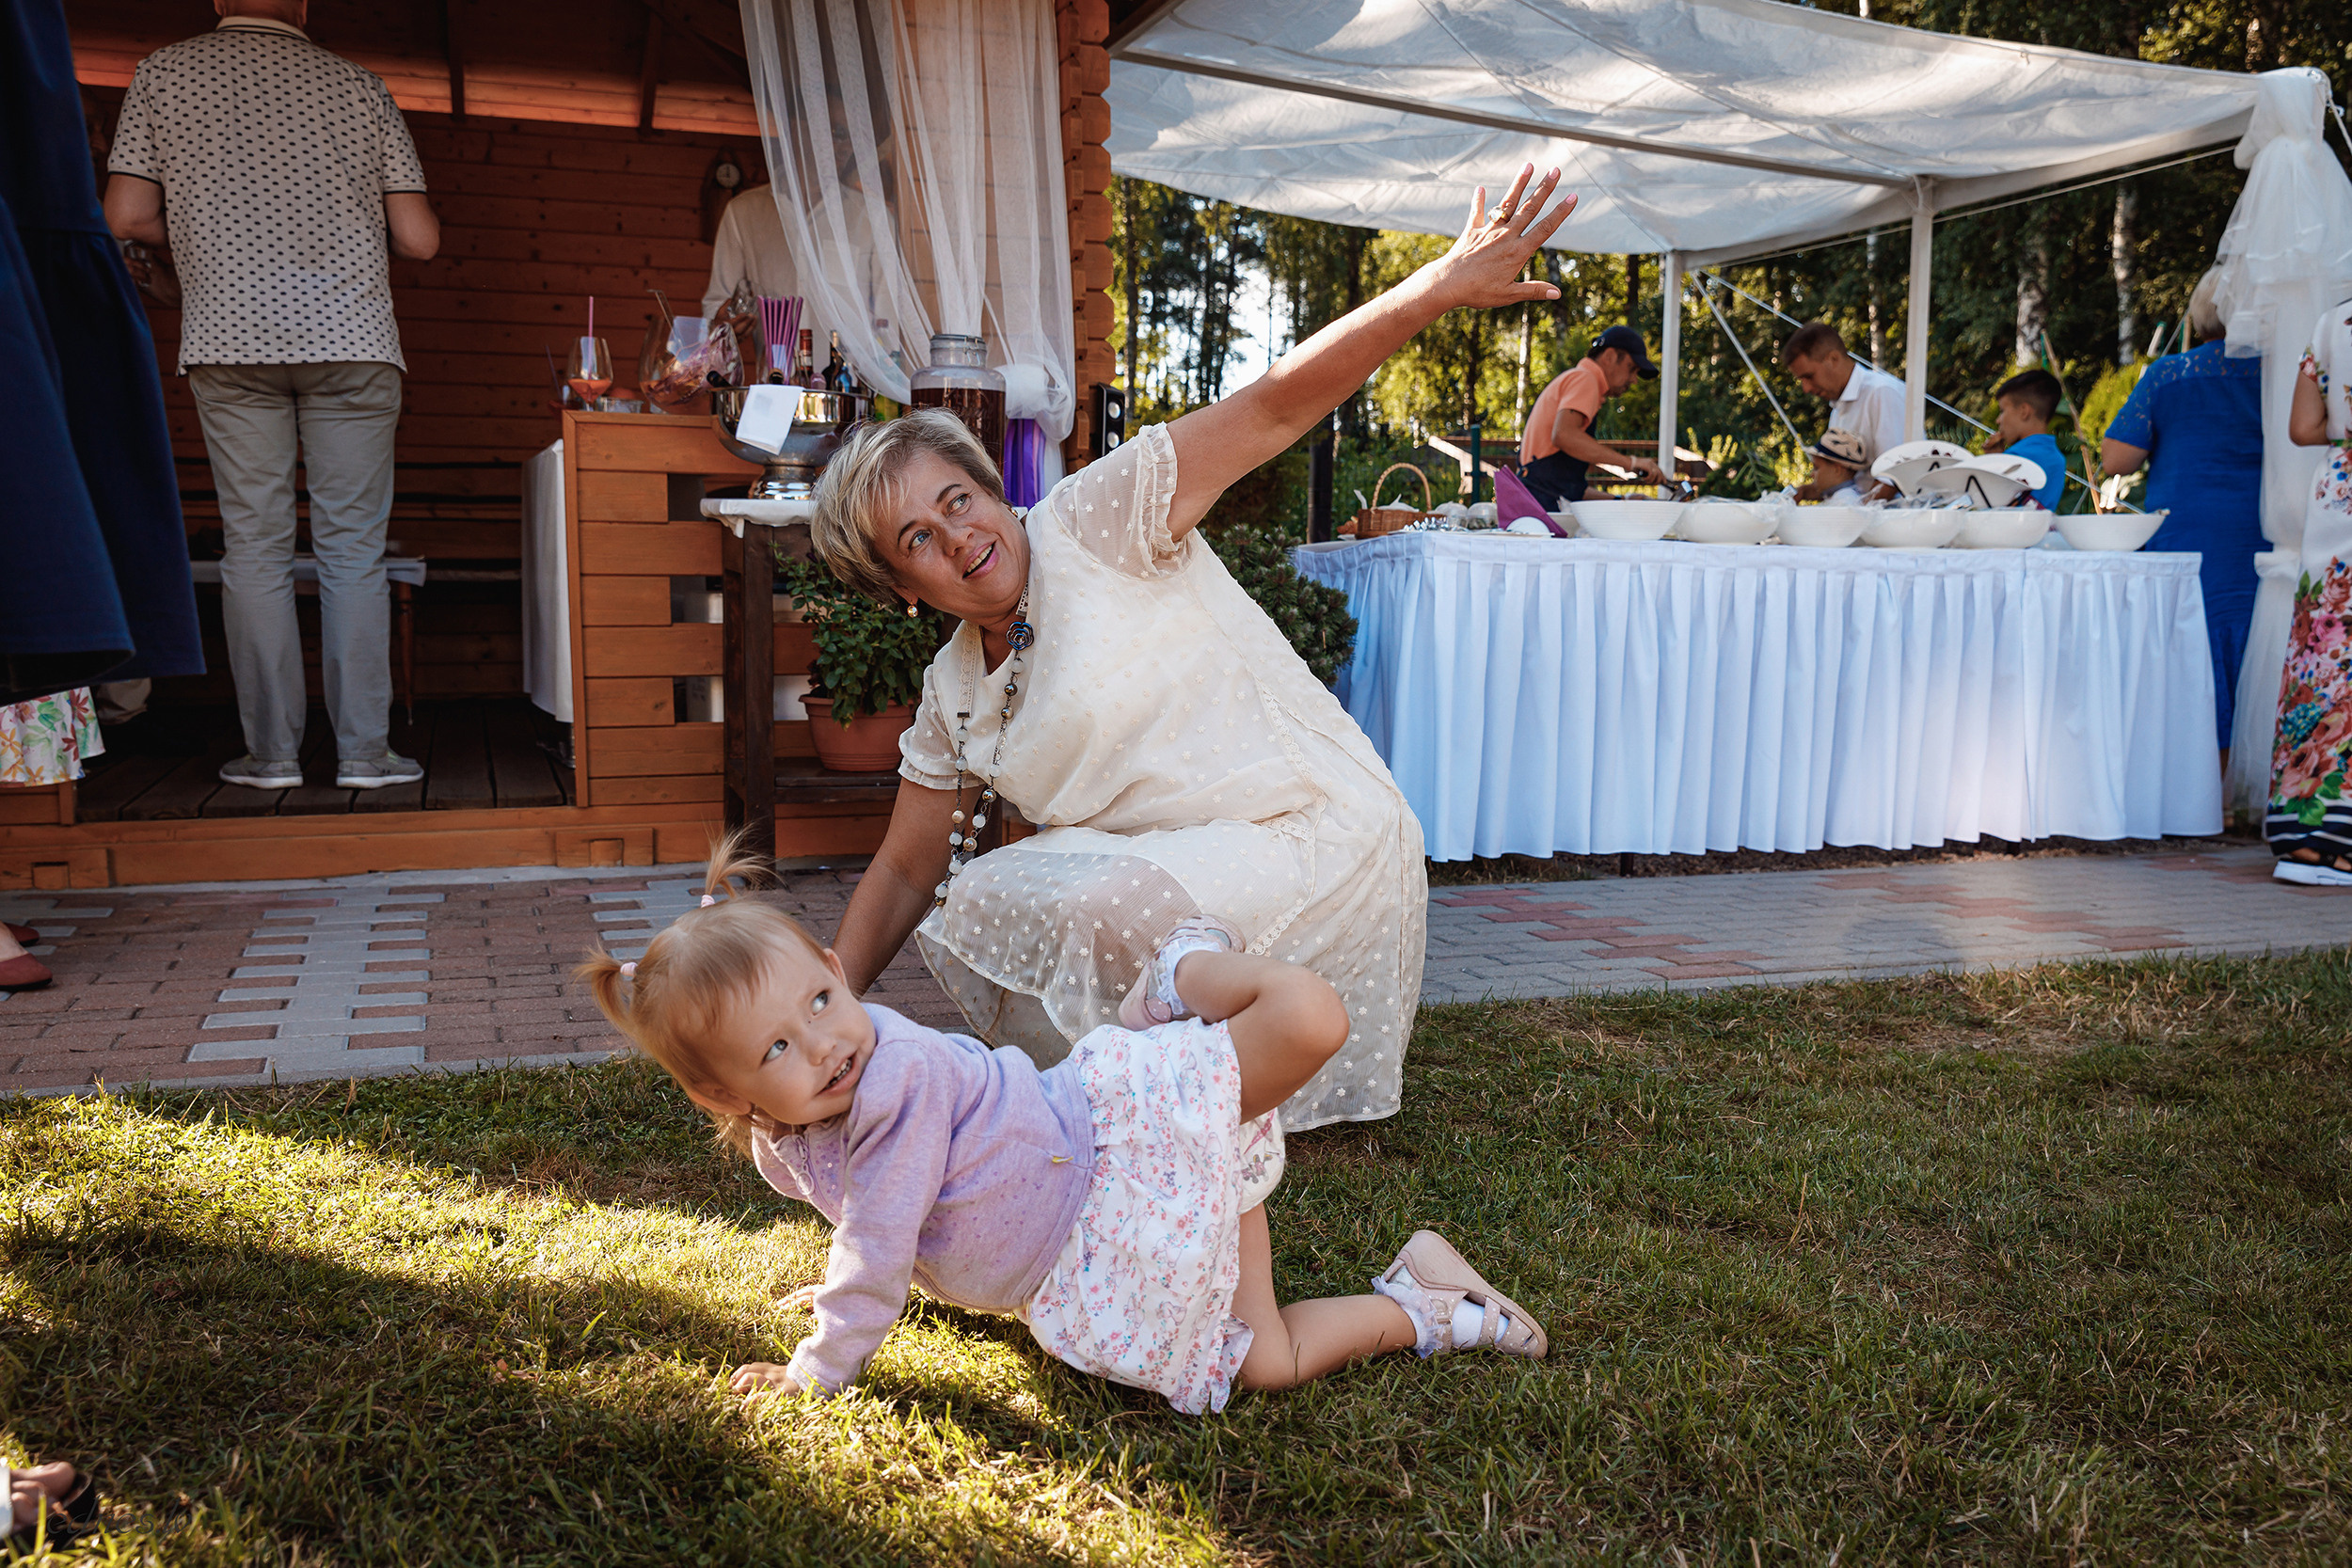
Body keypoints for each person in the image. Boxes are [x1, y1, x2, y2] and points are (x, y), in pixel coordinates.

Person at [811, 165, 1578, 1132]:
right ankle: (1144, 1094)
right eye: (917, 537)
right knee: (977, 890)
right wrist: (819, 1009)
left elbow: (1274, 403)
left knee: (1095, 903)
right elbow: (902, 871)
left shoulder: (1097, 521)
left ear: (991, 488)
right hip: (1175, 876)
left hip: (1311, 831)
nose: (956, 536)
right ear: (902, 587)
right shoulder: (953, 691)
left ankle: (1173, 1115)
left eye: (956, 498)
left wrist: (1436, 286)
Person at [579, 844, 1547, 1415]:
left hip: (1122, 1149)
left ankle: (1183, 974)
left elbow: (877, 1242)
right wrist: (844, 1283)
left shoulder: (894, 1081)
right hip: (1101, 1244)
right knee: (1268, 1364)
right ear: (726, 1097)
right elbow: (877, 1231)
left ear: (838, 964)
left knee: (1309, 1021)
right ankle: (1429, 1301)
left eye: (824, 998)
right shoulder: (783, 1141)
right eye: (777, 1047)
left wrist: (817, 1368)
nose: (826, 1044)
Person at [102, 0, 439, 791]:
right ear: (306, 3)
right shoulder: (360, 85)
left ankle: (272, 756)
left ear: (220, 0)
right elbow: (420, 238)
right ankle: (363, 754)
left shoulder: (163, 72)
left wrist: (198, 228)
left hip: (229, 339)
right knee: (353, 553)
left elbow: (125, 212)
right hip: (353, 343)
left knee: (253, 549)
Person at [2101, 267, 2266, 760]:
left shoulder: (2169, 374)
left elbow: (2117, 459)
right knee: (2257, 634)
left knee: (2194, 638)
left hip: (2188, 524)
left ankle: (2202, 781)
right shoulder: (2279, 373)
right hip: (2261, 525)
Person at [2265, 295, 2352, 885]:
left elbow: (2302, 429)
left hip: (2337, 495)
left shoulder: (2332, 320)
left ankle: (2302, 836)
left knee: (2320, 659)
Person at [1515, 325, 1666, 507]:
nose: (1634, 380)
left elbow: (1569, 489)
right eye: (1631, 368)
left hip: (1538, 501)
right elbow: (1564, 436)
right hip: (1540, 506)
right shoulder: (1585, 379)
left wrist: (1622, 501)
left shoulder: (1577, 379)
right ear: (1610, 356)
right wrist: (1630, 462)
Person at [1783, 322, 1905, 496]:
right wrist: (1802, 492)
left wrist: (1855, 519)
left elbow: (1893, 475)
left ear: (1833, 359)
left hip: (1895, 518)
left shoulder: (1882, 393)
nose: (1806, 389)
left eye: (1809, 376)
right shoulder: (1837, 410)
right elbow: (1843, 482)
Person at [1987, 369, 2068, 512]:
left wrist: (1994, 463)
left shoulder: (2015, 457)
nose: (1998, 420)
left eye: (2002, 411)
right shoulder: (2057, 459)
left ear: (2024, 411)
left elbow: (1990, 509)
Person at [1804, 430, 1871, 505]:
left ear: (1837, 470)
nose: (1811, 474)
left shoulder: (1845, 502)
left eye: (1816, 468)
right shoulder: (1840, 497)